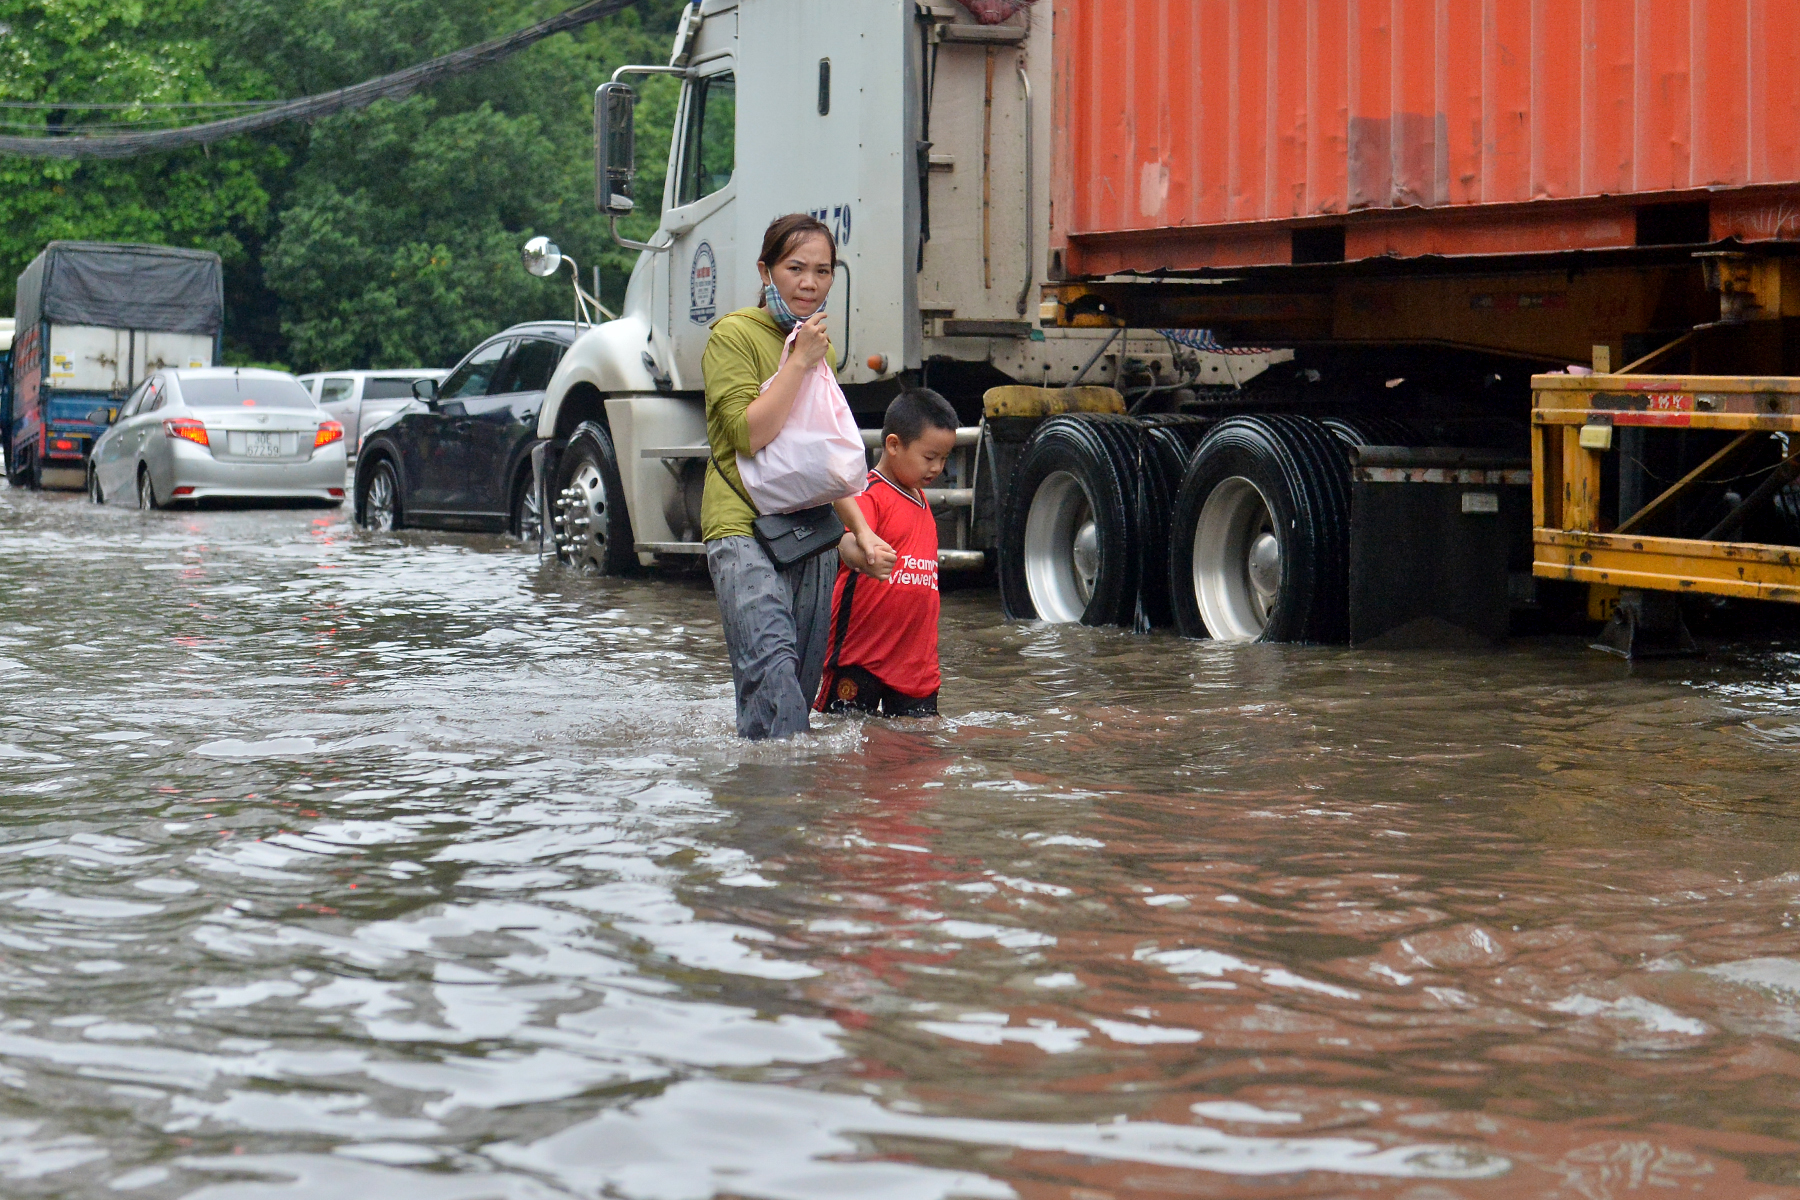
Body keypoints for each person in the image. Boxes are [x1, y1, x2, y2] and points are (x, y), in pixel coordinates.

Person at [702, 214, 896, 741]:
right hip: (742, 526)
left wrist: (861, 531)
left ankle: (782, 806)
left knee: (798, 689)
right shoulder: (734, 336)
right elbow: (748, 434)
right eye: (795, 268)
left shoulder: (821, 348)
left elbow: (824, 460)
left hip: (808, 531)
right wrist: (799, 362)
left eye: (822, 271)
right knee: (772, 667)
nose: (809, 283)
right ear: (766, 271)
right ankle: (775, 807)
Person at [816, 388, 960, 718]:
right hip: (861, 656)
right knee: (845, 746)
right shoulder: (870, 494)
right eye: (929, 457)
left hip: (914, 665)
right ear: (893, 445)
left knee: (916, 752)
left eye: (944, 458)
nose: (937, 467)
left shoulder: (922, 502)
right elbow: (846, 541)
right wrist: (865, 553)